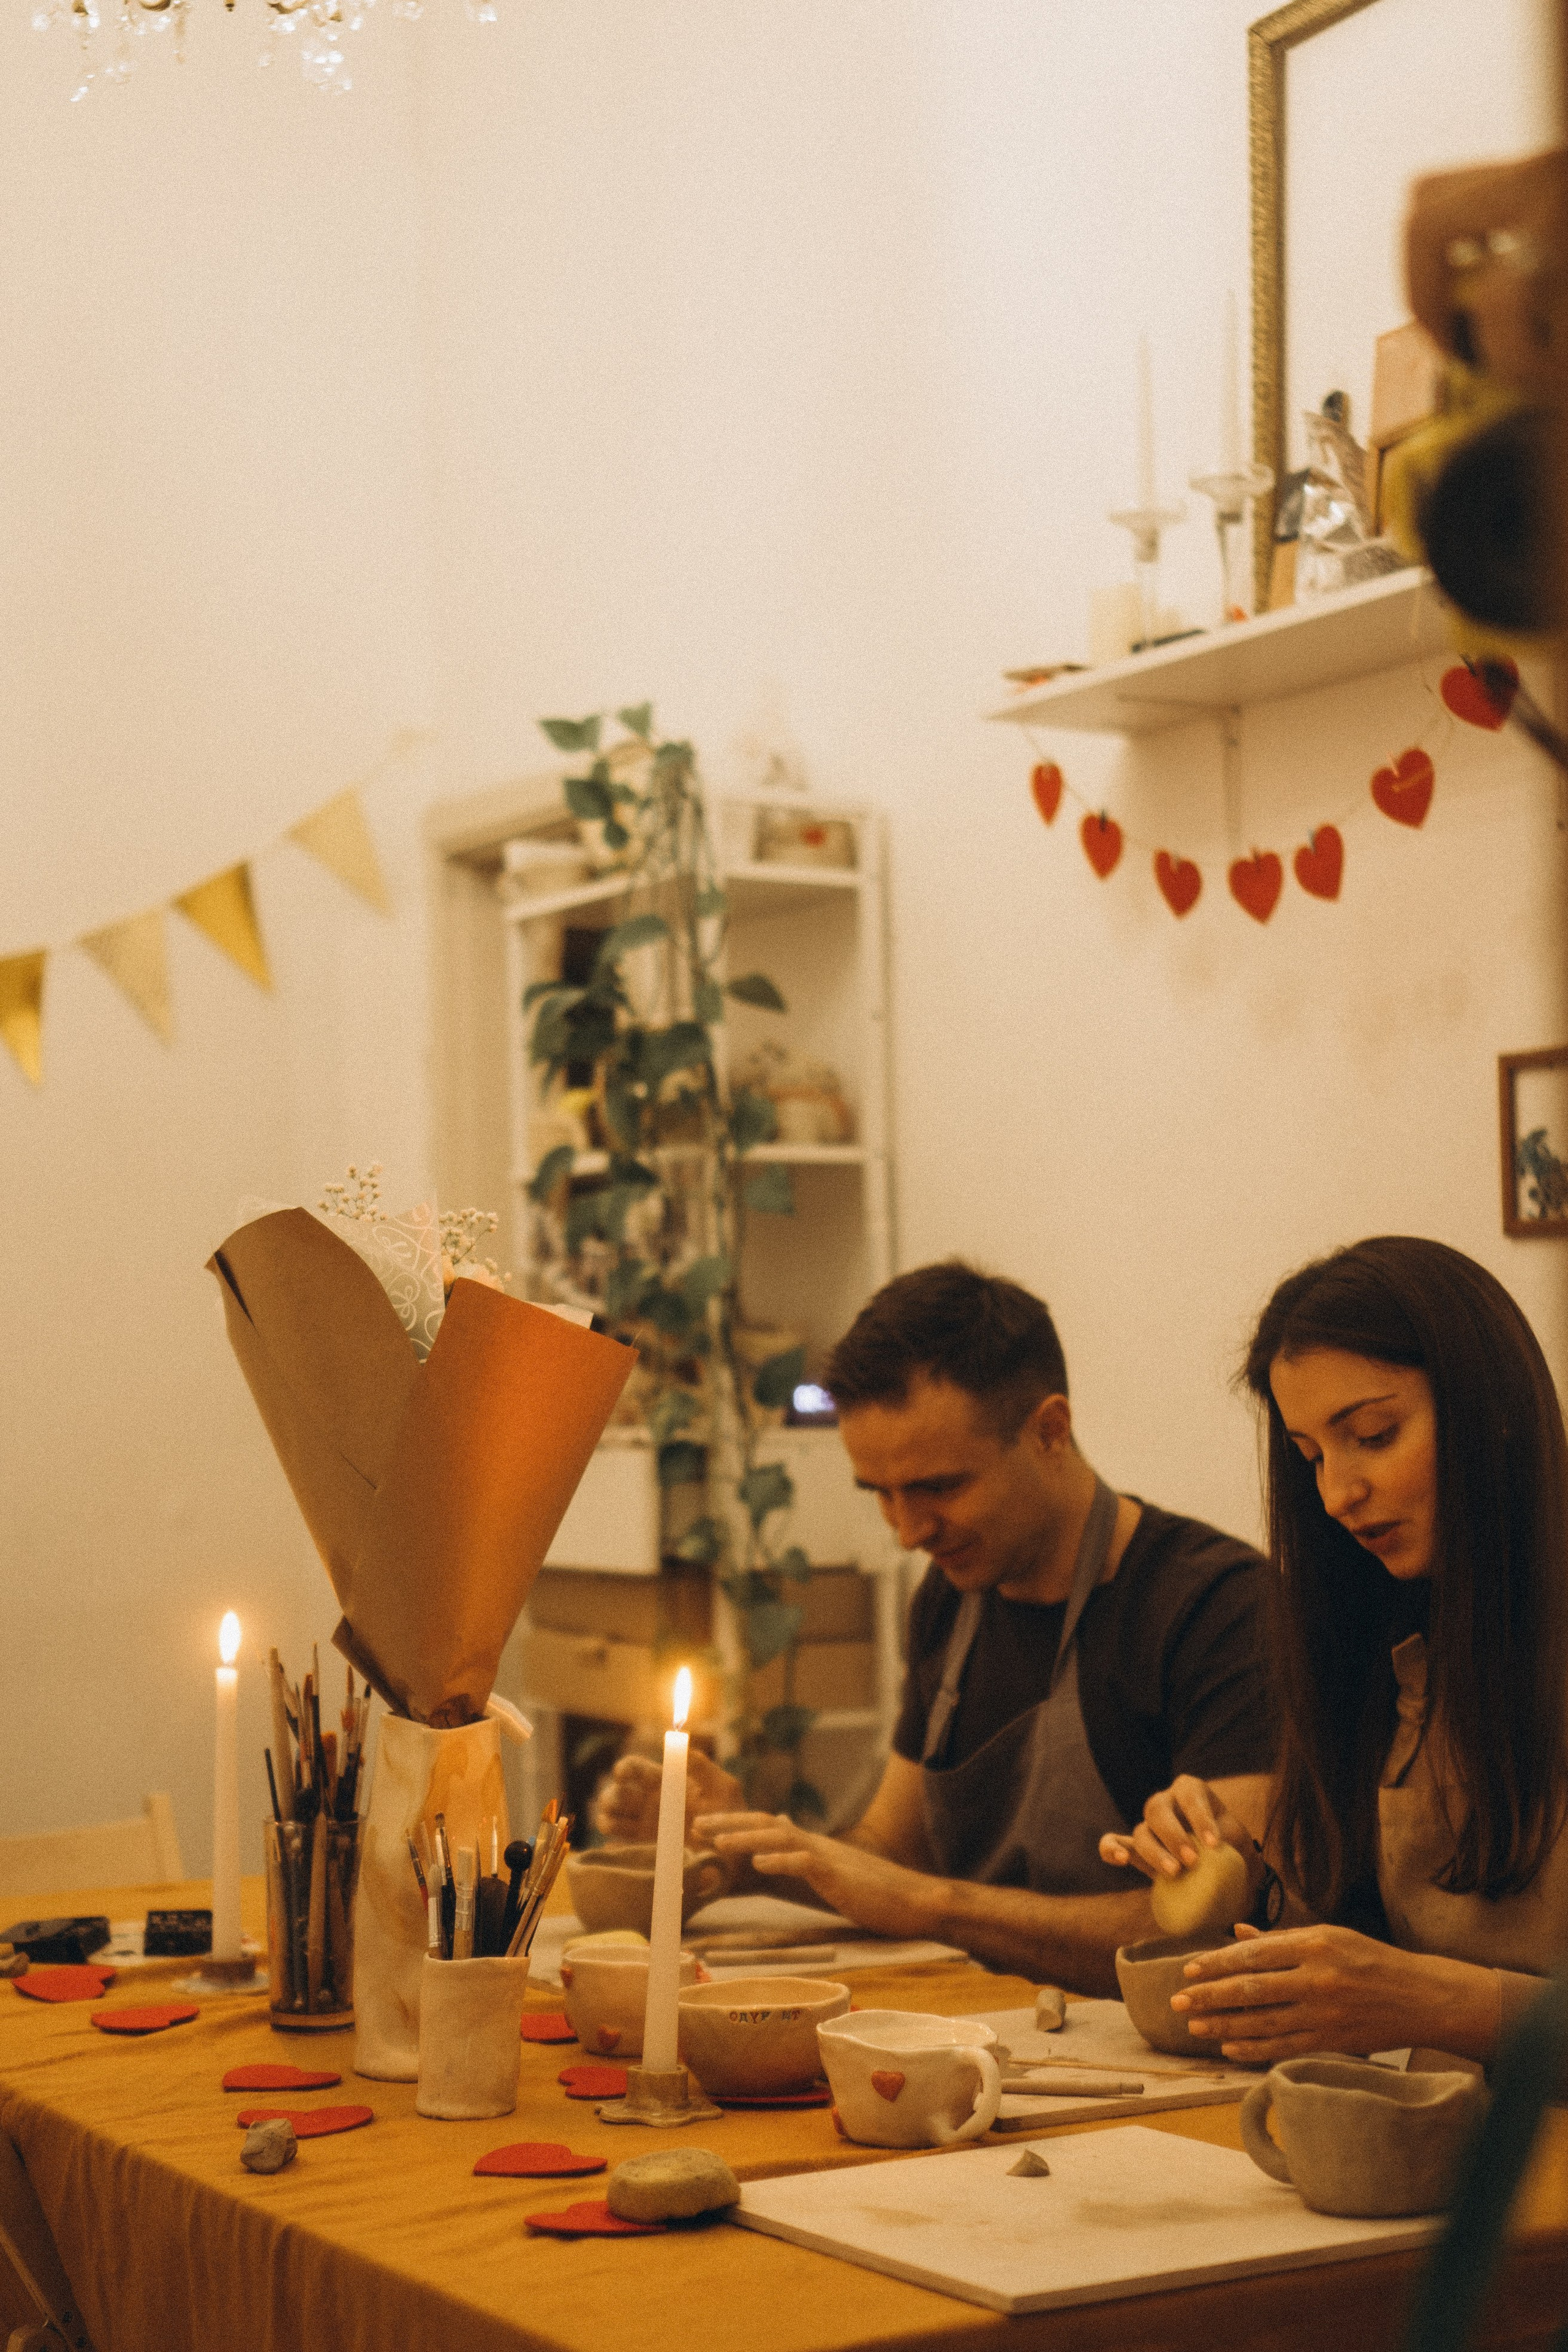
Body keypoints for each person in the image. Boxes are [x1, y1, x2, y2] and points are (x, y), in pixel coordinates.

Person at [596, 1261, 1276, 1993]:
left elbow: (1211, 1932)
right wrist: (743, 1854)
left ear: (1050, 1430)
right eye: (881, 1495)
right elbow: (892, 1851)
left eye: (938, 1487)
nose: (907, 1531)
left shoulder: (1219, 1607)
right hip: (978, 2021)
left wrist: (939, 1907)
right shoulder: (955, 1592)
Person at [1100, 1236, 1568, 2064]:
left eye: (1375, 1435)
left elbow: (1407, 1993)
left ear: (1489, 1406)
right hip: (1430, 2147)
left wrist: (1437, 2003)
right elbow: (1363, 1946)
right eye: (1311, 1456)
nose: (1337, 1494)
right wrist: (1242, 1876)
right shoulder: (1393, 1654)